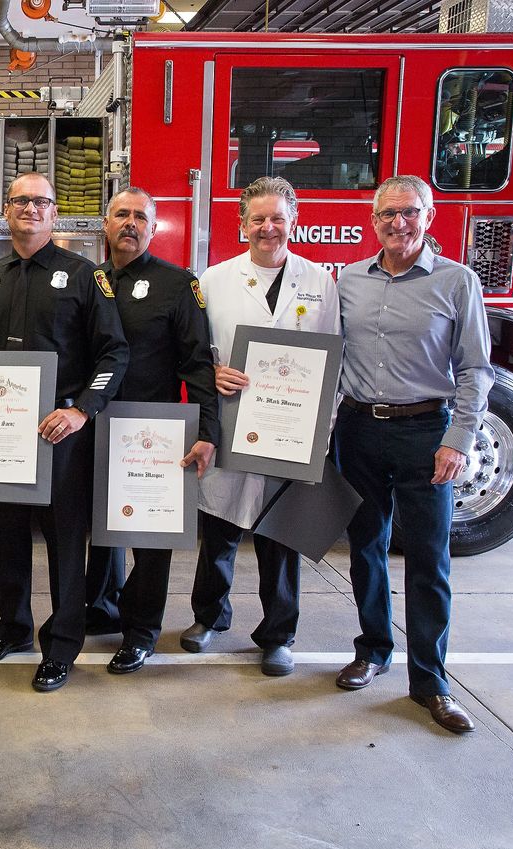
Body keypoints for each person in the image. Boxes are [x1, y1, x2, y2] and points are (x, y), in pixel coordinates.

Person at [0, 172, 129, 692]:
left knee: (65, 543)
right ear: (7, 210)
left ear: (54, 211)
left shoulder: (86, 276)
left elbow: (114, 353)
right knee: (7, 536)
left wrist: (83, 411)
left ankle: (62, 643)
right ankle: (14, 626)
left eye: (40, 201)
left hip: (60, 432)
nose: (29, 209)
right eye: (20, 201)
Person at [333, 175, 493, 733]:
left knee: (428, 559)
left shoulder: (457, 282)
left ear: (429, 216)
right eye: (387, 214)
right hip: (357, 429)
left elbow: (475, 370)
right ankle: (373, 649)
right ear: (371, 220)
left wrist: (458, 441)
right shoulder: (349, 280)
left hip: (426, 431)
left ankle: (430, 681)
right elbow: (327, 356)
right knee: (365, 547)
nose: (398, 223)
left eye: (409, 212)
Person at [180, 176, 340, 677]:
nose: (267, 227)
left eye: (277, 218)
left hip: (291, 433)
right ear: (241, 223)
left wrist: (322, 434)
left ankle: (278, 635)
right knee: (221, 530)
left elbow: (332, 360)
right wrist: (212, 372)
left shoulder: (319, 282)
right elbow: (193, 353)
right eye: (258, 218)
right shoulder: (213, 280)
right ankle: (209, 617)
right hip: (231, 426)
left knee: (281, 535)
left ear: (293, 222)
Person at [80, 187, 220, 675]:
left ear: (154, 228)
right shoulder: (88, 278)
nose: (131, 224)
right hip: (92, 425)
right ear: (105, 222)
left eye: (141, 217)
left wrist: (207, 430)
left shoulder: (179, 284)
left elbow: (198, 365)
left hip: (153, 430)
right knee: (100, 530)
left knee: (150, 539)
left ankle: (141, 632)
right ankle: (100, 610)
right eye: (121, 214)